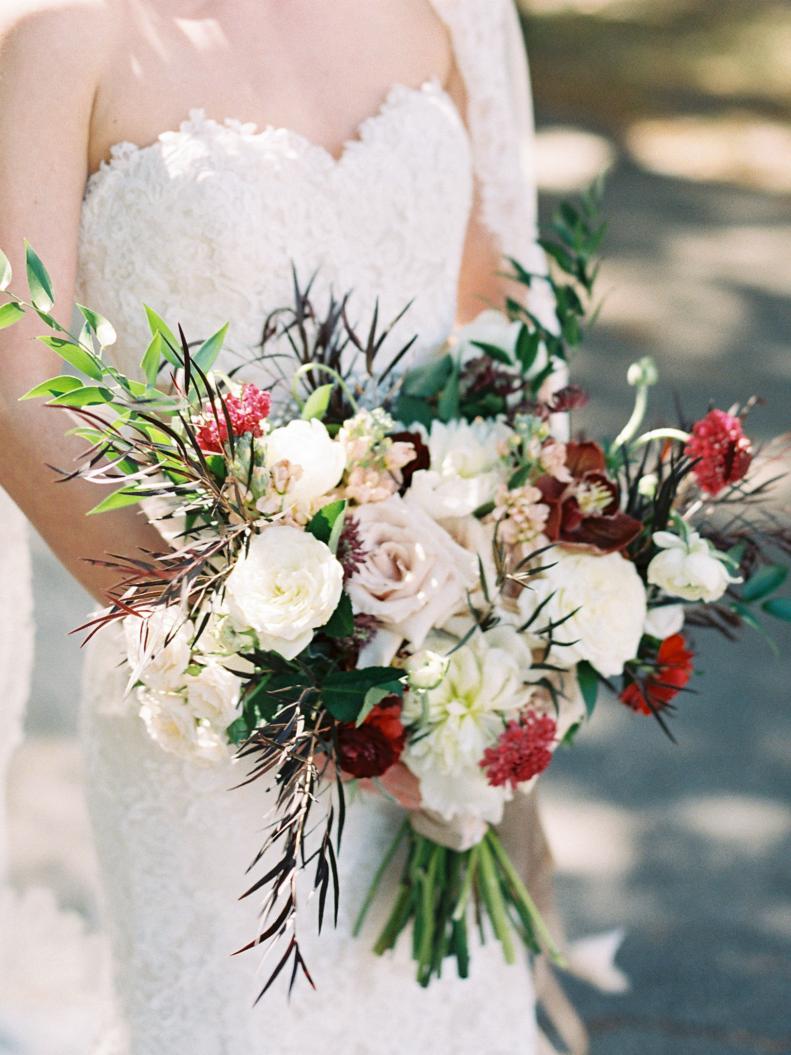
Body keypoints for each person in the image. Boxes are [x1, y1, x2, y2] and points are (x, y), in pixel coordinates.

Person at [0, 2, 563, 1051]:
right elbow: (18, 390)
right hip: (206, 715)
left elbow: (491, 306)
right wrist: (274, 677)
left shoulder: (444, 12)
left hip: (441, 682)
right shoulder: (61, 38)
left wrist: (495, 596)